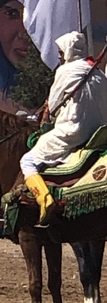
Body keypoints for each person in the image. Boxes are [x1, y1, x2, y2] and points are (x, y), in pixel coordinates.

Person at [20, 31, 107, 224]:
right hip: (99, 133)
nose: (59, 55)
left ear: (68, 51)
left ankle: (45, 199)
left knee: (27, 161)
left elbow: (54, 103)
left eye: (61, 51)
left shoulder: (66, 71)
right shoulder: (98, 73)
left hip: (72, 132)